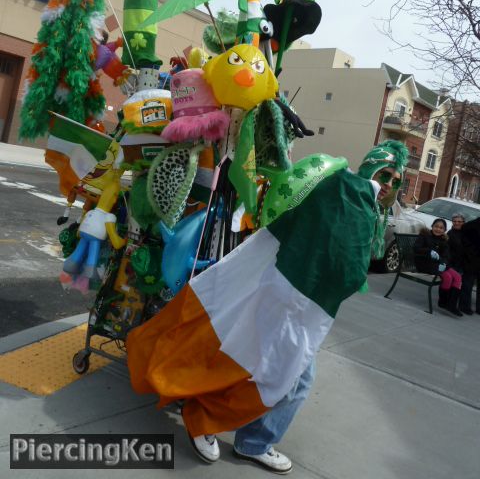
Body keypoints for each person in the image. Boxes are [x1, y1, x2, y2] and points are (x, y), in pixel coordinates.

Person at [126, 140, 409, 474]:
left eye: (396, 181)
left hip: (294, 300)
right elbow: (344, 263)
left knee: (273, 370)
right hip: (288, 299)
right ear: (371, 167)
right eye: (385, 174)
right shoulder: (348, 191)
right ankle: (221, 428)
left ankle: (245, 437)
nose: (389, 183)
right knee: (271, 372)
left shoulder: (355, 198)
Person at [414, 218, 462, 316]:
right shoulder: (425, 235)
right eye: (436, 226)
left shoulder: (443, 240)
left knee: (457, 277)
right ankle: (443, 302)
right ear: (432, 226)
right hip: (425, 263)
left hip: (437, 264)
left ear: (444, 230)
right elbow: (416, 248)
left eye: (441, 228)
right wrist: (428, 251)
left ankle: (452, 304)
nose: (438, 229)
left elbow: (446, 255)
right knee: (447, 277)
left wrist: (443, 262)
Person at [447, 214, 472, 315]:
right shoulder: (450, 234)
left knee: (468, 280)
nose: (457, 223)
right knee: (461, 278)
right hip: (453, 263)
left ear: (463, 223)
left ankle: (464, 305)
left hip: (464, 263)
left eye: (459, 221)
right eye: (455, 221)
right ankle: (453, 305)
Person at [459, 216, 480, 315]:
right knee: (468, 282)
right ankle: (464, 306)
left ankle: (476, 307)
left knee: (469, 282)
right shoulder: (472, 225)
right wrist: (470, 251)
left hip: (473, 258)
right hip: (471, 258)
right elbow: (464, 231)